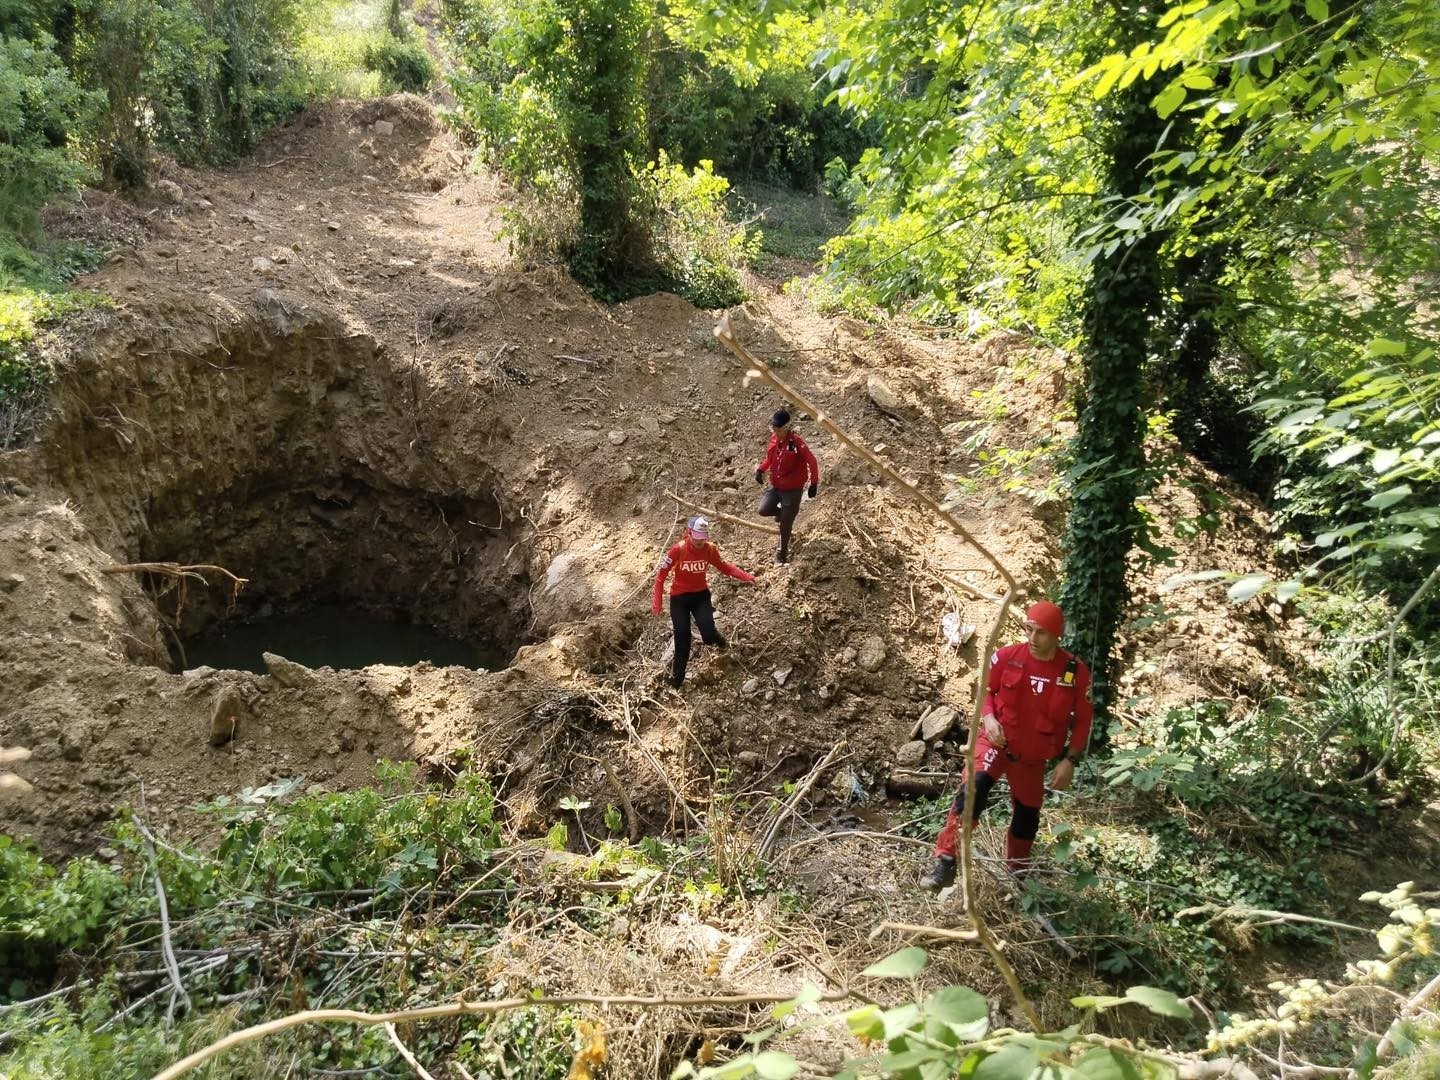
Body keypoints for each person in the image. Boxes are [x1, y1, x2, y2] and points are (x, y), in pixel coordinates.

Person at [920, 600, 1092, 891]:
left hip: (1032, 759)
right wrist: (988, 718)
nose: (1033, 638)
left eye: (1041, 633)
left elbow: (1084, 721)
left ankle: (1017, 875)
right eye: (1029, 629)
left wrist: (1070, 761)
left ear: (1057, 636)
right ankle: (946, 862)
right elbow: (987, 692)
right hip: (995, 743)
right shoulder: (1006, 657)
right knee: (972, 790)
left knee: (1027, 817)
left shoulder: (1075, 673)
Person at [651, 516, 757, 689]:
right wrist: (657, 603)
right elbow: (661, 576)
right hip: (679, 599)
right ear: (689, 533)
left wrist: (746, 576)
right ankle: (676, 681)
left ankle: (718, 639)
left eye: (703, 538)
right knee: (682, 640)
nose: (700, 542)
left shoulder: (710, 549)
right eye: (696, 538)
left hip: (701, 596)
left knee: (708, 636)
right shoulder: (678, 550)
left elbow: (725, 567)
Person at [754, 408, 820, 565]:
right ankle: (782, 514)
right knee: (763, 509)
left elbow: (812, 461)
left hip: (792, 490)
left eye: (777, 428)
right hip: (776, 485)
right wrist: (760, 469)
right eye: (773, 428)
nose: (774, 431)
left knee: (785, 526)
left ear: (785, 428)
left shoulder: (797, 443)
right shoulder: (774, 440)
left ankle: (781, 554)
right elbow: (770, 459)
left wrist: (814, 483)